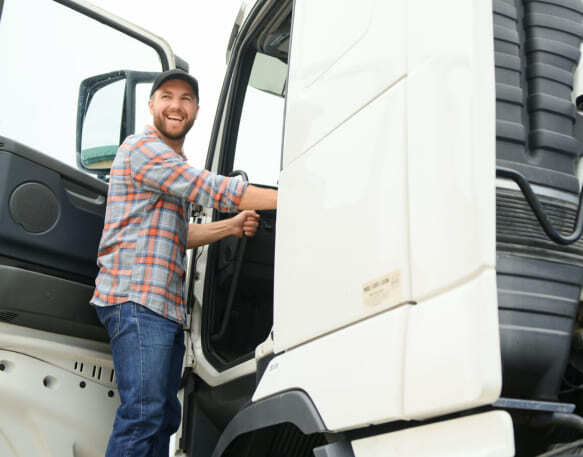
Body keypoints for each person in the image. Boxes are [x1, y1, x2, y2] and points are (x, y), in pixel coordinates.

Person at [90, 69, 277, 457]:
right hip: (137, 301)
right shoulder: (144, 149)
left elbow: (177, 235)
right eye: (167, 96)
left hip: (161, 307)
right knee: (143, 415)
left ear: (194, 110)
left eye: (186, 99)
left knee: (161, 419)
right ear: (152, 105)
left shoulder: (169, 163)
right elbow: (213, 188)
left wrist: (231, 226)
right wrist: (289, 195)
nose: (176, 105)